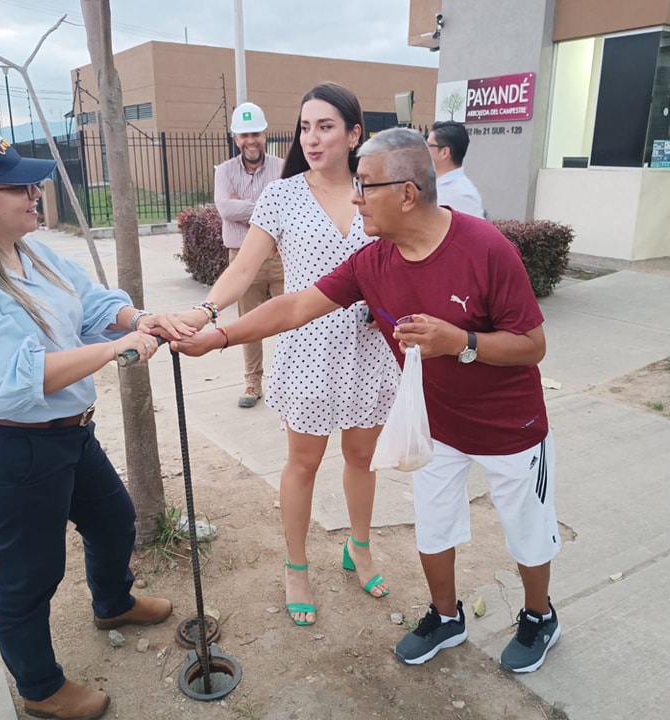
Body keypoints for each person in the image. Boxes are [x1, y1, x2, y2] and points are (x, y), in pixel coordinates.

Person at [168, 127, 561, 674]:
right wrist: (219, 335)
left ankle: (540, 616)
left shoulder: (485, 248)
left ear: (406, 193)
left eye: (366, 185)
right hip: (436, 426)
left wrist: (461, 342)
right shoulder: (374, 261)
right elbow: (297, 305)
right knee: (434, 527)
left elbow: (532, 346)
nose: (355, 198)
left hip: (509, 427)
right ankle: (445, 617)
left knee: (527, 531)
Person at [0, 128, 173, 720]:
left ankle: (113, 602)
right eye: (19, 186)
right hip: (7, 450)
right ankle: (40, 688)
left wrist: (140, 318)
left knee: (113, 519)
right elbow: (17, 374)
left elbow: (93, 303)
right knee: (30, 572)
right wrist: (114, 349)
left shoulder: (33, 249)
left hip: (68, 432)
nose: (35, 191)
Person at [151, 83, 400, 626]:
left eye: (326, 126)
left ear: (355, 134)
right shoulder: (283, 195)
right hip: (308, 346)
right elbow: (242, 270)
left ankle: (358, 545)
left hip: (370, 347)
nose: (312, 138)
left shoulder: (376, 190)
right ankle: (296, 565)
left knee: (362, 458)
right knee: (304, 463)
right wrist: (203, 314)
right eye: (305, 127)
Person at [214, 101, 285, 408]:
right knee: (248, 325)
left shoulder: (282, 167)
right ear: (235, 138)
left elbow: (286, 209)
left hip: (280, 256)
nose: (250, 140)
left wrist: (243, 207)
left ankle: (291, 380)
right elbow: (225, 209)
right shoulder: (225, 172)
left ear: (264, 133)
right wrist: (267, 208)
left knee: (294, 321)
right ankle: (252, 383)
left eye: (255, 133)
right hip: (243, 259)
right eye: (244, 135)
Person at [427, 120, 486, 218]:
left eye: (429, 145)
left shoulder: (463, 196)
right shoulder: (431, 183)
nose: (425, 150)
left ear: (444, 152)